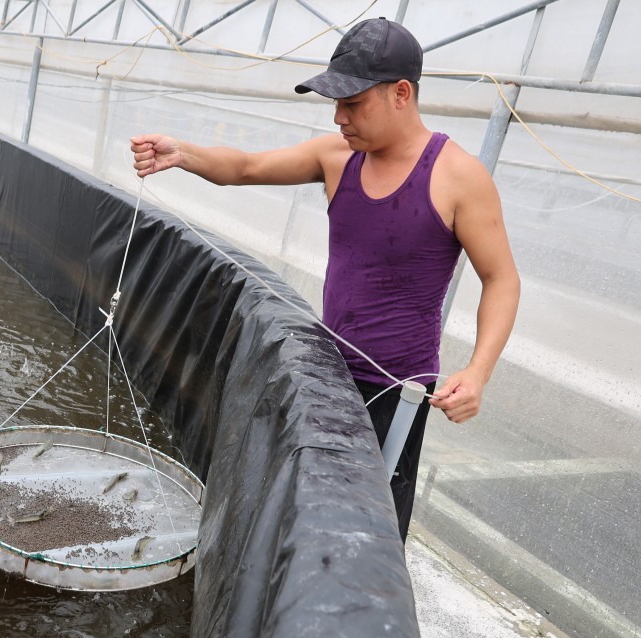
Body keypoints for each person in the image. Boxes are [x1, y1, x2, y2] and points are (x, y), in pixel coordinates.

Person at [130, 17, 520, 542]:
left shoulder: (458, 177)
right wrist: (184, 155)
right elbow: (245, 168)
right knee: (301, 517)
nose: (339, 117)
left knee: (369, 534)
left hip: (396, 394)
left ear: (401, 93)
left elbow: (501, 279)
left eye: (352, 103)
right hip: (324, 373)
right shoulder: (337, 157)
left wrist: (477, 372)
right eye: (336, 103)